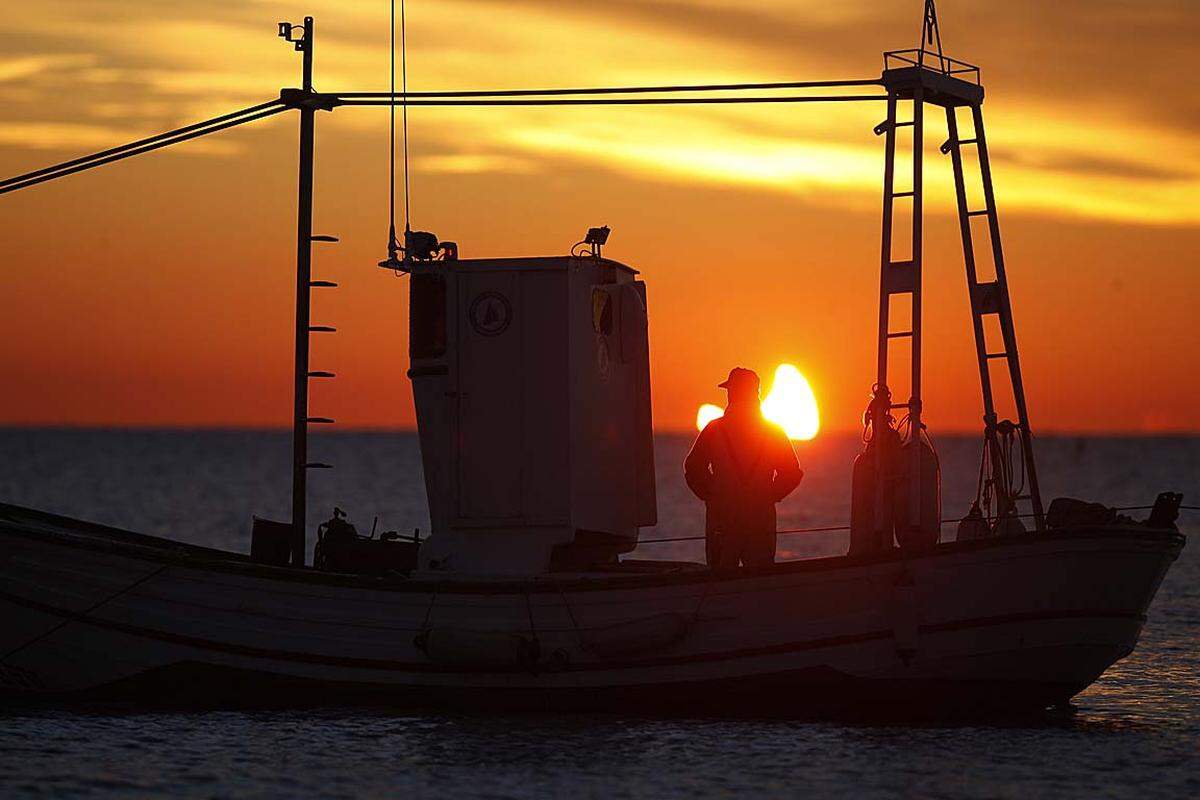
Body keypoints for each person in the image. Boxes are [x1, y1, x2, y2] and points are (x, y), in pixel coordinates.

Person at [685, 367, 803, 569]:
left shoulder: (714, 429)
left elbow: (693, 469)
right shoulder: (773, 431)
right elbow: (793, 473)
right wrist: (768, 495)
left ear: (732, 393)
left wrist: (713, 497)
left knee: (719, 584)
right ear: (756, 394)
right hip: (760, 519)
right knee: (760, 584)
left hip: (723, 518)